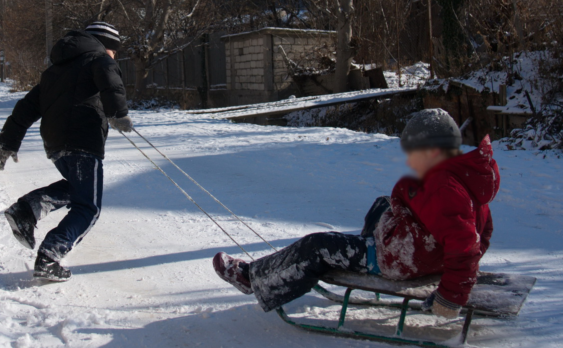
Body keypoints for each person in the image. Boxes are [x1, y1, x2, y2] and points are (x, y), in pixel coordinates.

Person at [212, 108, 498, 318]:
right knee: (382, 204)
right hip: (417, 249)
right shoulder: (464, 177)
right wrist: (443, 262)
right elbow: (481, 231)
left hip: (403, 259)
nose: (409, 159)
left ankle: (253, 278)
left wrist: (450, 297)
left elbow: (465, 247)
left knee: (317, 246)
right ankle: (360, 254)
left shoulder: (443, 187)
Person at [0, 22, 133, 282]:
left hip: (56, 142)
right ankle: (50, 255)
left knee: (77, 187)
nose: (114, 56)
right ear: (106, 45)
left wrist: (8, 142)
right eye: (114, 50)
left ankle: (27, 210)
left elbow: (26, 107)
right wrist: (118, 114)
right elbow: (110, 80)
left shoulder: (56, 70)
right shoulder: (99, 58)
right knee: (88, 207)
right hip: (84, 140)